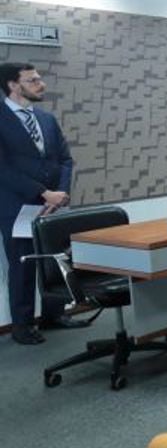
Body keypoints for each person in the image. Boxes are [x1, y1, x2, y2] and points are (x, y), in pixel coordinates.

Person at [1, 62, 85, 345]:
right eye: (33, 80)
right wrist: (42, 193)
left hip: (54, 205)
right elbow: (3, 168)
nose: (41, 84)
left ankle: (54, 315)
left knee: (58, 259)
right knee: (23, 265)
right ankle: (22, 326)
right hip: (17, 206)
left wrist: (59, 193)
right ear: (13, 85)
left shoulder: (46, 119)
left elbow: (65, 159)